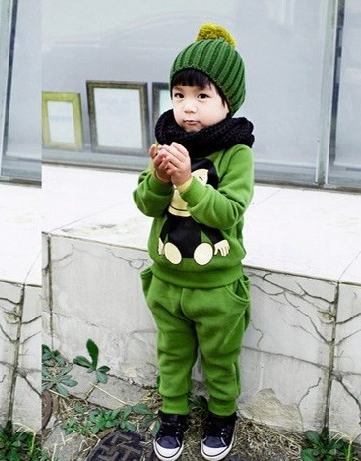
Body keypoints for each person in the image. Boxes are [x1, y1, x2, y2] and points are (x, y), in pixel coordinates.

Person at [133, 23, 254, 461]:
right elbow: (145, 203)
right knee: (172, 354)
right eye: (179, 94)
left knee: (221, 357)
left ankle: (222, 415)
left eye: (202, 96)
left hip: (217, 286)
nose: (188, 106)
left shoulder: (236, 153)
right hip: (167, 281)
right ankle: (173, 414)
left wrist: (187, 181)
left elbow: (228, 212)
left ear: (227, 101)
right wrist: (159, 179)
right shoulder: (167, 143)